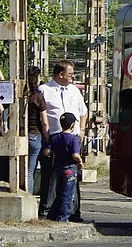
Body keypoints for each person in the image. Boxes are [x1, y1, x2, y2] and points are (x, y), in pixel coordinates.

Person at [38, 60, 88, 221]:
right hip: (55, 137)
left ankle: (73, 211)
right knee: (52, 175)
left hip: (73, 138)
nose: (73, 77)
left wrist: (81, 130)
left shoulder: (74, 90)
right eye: (70, 74)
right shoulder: (45, 90)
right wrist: (46, 135)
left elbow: (83, 111)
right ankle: (48, 210)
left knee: (72, 175)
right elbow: (41, 113)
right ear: (61, 74)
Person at [46, 112, 83, 222]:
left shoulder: (55, 138)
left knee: (59, 193)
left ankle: (52, 215)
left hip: (57, 168)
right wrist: (80, 161)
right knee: (68, 194)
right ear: (72, 125)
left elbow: (47, 151)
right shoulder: (73, 139)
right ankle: (63, 217)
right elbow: (75, 155)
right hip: (69, 169)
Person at [26, 66, 49, 197]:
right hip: (36, 135)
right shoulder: (38, 97)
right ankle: (29, 197)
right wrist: (47, 137)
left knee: (21, 169)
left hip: (22, 134)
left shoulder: (22, 96)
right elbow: (44, 121)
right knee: (30, 170)